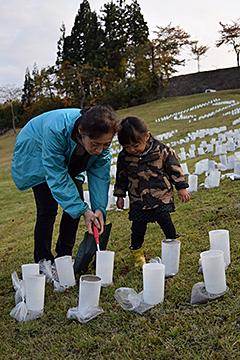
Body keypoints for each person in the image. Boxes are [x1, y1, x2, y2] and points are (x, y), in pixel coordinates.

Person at [11, 106, 119, 264]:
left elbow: (100, 175)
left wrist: (98, 209)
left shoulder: (101, 145)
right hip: (37, 149)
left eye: (106, 144)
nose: (99, 150)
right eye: (95, 144)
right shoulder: (56, 130)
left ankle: (64, 256)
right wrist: (83, 210)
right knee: (47, 209)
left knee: (76, 203)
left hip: (72, 155)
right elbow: (56, 174)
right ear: (81, 131)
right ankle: (43, 260)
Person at [114, 116, 191, 267]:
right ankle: (137, 252)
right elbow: (121, 177)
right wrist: (120, 195)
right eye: (127, 146)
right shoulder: (124, 157)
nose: (132, 150)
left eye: (135, 145)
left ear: (147, 136)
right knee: (138, 227)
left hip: (161, 194)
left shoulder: (162, 150)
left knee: (164, 218)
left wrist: (181, 187)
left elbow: (174, 168)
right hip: (138, 198)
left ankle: (173, 244)